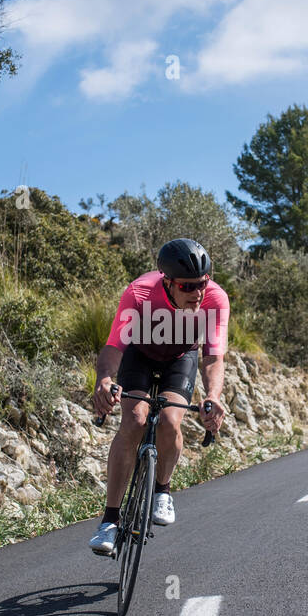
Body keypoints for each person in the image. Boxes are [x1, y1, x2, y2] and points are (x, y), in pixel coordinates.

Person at [88, 238, 229, 555]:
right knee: (134, 420)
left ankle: (162, 489)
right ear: (167, 281)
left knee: (169, 419)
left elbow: (213, 357)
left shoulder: (215, 300)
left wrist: (213, 395)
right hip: (140, 354)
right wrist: (105, 379)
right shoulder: (139, 292)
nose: (197, 294)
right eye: (187, 286)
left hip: (181, 357)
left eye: (202, 284)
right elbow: (114, 346)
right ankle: (109, 521)